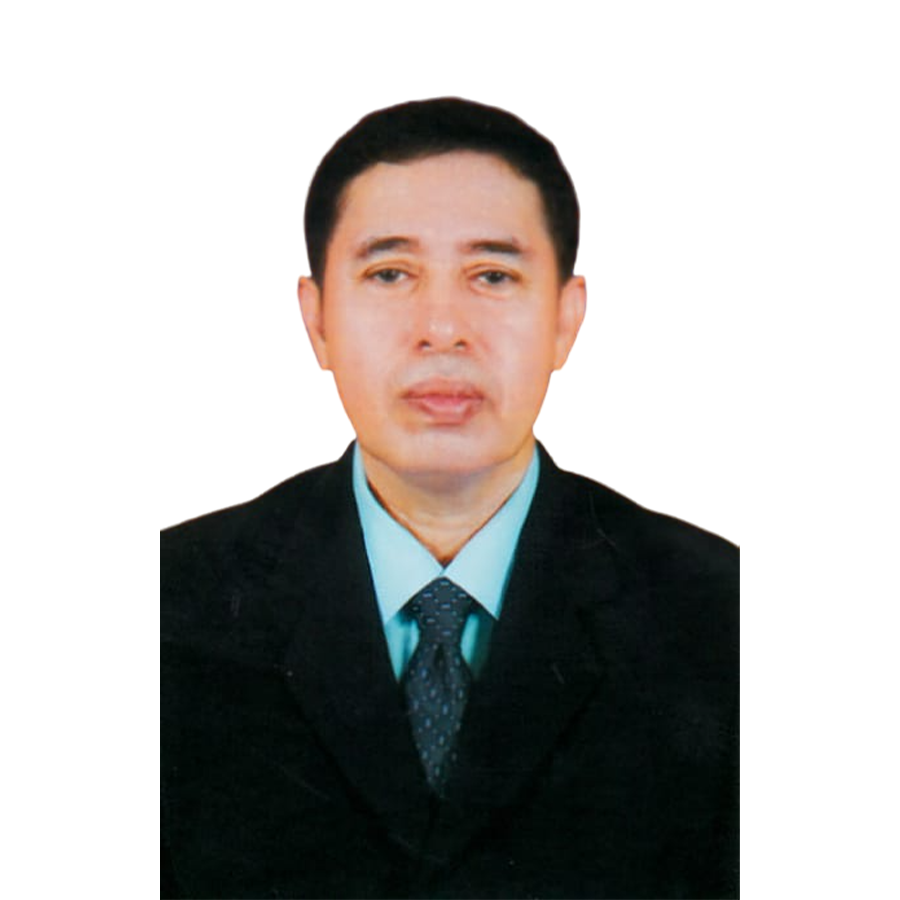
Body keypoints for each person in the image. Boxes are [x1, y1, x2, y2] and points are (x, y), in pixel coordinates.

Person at [161, 100, 738, 899]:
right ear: (316, 319)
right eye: (389, 274)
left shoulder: (726, 620)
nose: (441, 328)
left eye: (492, 275)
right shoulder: (164, 610)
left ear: (566, 319)